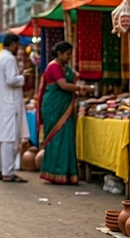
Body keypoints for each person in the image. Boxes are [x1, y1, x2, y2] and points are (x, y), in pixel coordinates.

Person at [38, 41, 93, 185]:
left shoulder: (65, 68)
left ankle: (66, 174)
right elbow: (63, 85)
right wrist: (82, 88)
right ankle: (54, 173)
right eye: (67, 54)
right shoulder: (53, 66)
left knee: (66, 138)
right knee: (56, 139)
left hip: (64, 108)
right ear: (59, 53)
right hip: (54, 107)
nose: (69, 57)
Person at [0, 32, 30, 182]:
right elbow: (11, 80)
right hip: (9, 105)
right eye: (18, 45)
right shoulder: (9, 59)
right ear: (13, 44)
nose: (18, 49)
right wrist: (23, 76)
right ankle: (8, 172)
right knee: (10, 140)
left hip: (0, 105)